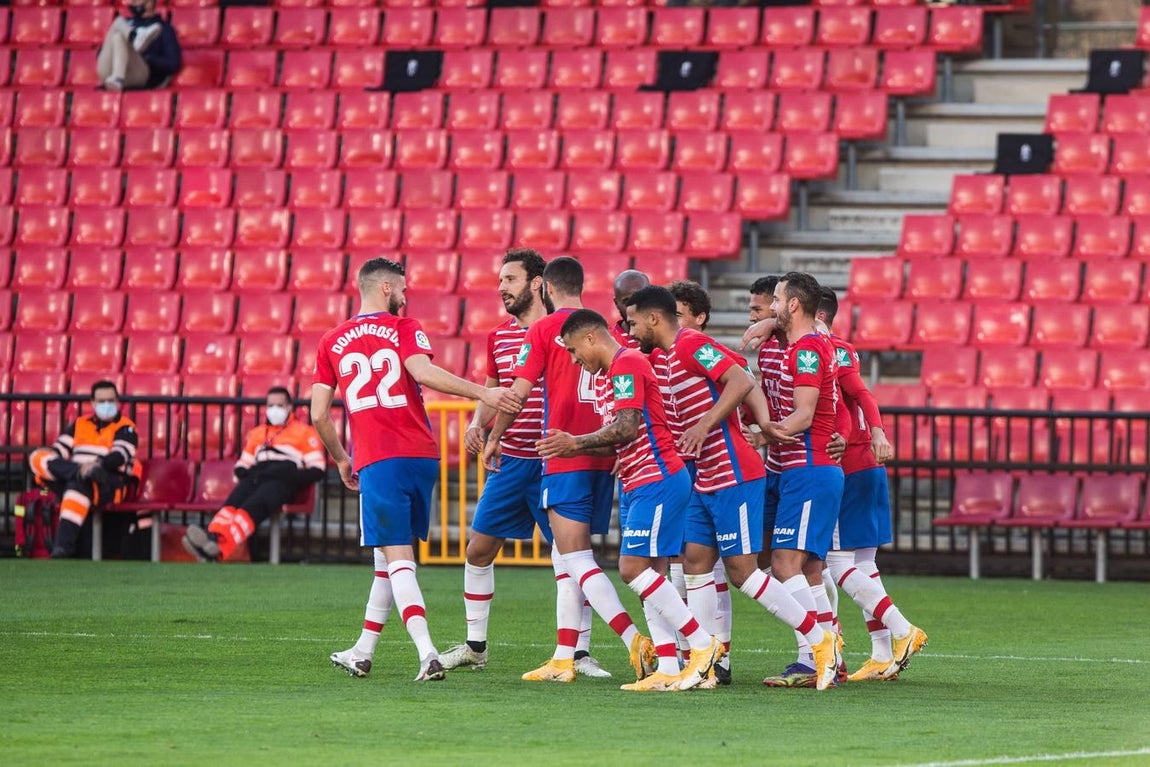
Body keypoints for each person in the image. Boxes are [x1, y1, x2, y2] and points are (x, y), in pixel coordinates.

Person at [313, 258, 520, 683]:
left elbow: (318, 414)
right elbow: (421, 372)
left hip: (378, 457)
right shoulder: (404, 328)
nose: (407, 295)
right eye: (403, 287)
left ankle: (427, 654)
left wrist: (339, 457)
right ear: (386, 287)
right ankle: (362, 650)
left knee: (398, 558)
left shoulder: (331, 341)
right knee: (386, 559)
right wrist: (481, 392)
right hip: (419, 454)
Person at [624, 286, 840, 692]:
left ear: (654, 319)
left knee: (742, 573)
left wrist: (723, 425)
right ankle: (703, 660)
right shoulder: (662, 358)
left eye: (634, 322)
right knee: (694, 564)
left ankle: (820, 638)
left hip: (733, 475)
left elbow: (741, 379)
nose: (630, 330)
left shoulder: (691, 344)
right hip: (699, 478)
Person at [483, 257, 656, 684]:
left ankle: (633, 638)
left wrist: (493, 436)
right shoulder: (600, 329)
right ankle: (565, 654)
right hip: (603, 453)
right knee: (566, 559)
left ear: (546, 289)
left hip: (564, 454)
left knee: (575, 559)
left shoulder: (545, 330)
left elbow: (517, 393)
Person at [441, 249, 608, 679]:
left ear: (538, 284)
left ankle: (579, 651)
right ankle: (476, 646)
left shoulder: (570, 332)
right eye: (500, 281)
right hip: (513, 458)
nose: (502, 288)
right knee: (479, 548)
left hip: (556, 456)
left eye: (510, 280)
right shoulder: (498, 337)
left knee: (569, 557)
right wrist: (480, 425)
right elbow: (494, 390)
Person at [538, 309, 724, 692]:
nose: (574, 360)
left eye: (574, 351)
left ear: (590, 338)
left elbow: (627, 426)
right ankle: (669, 665)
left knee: (631, 568)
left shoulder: (627, 363)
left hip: (657, 478)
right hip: (642, 478)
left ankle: (703, 646)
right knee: (651, 575)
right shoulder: (613, 372)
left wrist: (576, 444)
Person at [816, 288, 928, 682]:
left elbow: (861, 392)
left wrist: (878, 433)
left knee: (835, 561)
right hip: (866, 464)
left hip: (850, 464)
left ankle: (901, 629)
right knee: (865, 563)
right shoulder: (837, 348)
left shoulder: (827, 349)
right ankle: (882, 653)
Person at [181, 387, 325, 563]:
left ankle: (218, 547)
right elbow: (242, 464)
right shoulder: (257, 433)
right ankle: (212, 537)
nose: (274, 409)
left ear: (289, 407)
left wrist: (289, 476)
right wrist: (249, 473)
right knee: (233, 503)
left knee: (250, 507)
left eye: (279, 405)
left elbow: (317, 469)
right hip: (258, 475)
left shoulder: (305, 432)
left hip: (283, 479)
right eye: (270, 405)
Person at [29, 380, 139, 559]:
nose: (106, 405)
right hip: (78, 475)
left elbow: (119, 455)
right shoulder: (81, 423)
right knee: (37, 457)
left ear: (118, 401)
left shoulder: (126, 427)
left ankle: (63, 548)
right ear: (93, 403)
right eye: (102, 401)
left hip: (109, 481)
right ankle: (78, 472)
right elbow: (58, 450)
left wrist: (96, 465)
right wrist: (80, 469)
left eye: (110, 400)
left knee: (76, 486)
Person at [97, 0, 182, 92]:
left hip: (139, 74)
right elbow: (102, 52)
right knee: (118, 23)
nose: (132, 3)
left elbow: (173, 63)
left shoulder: (163, 28)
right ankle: (135, 38)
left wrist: (147, 57)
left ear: (149, 3)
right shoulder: (126, 23)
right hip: (109, 72)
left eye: (136, 1)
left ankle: (118, 78)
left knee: (119, 35)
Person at [610, 269, 649, 350]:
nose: (635, 308)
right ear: (616, 303)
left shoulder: (665, 338)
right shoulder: (610, 342)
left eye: (641, 299)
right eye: (628, 302)